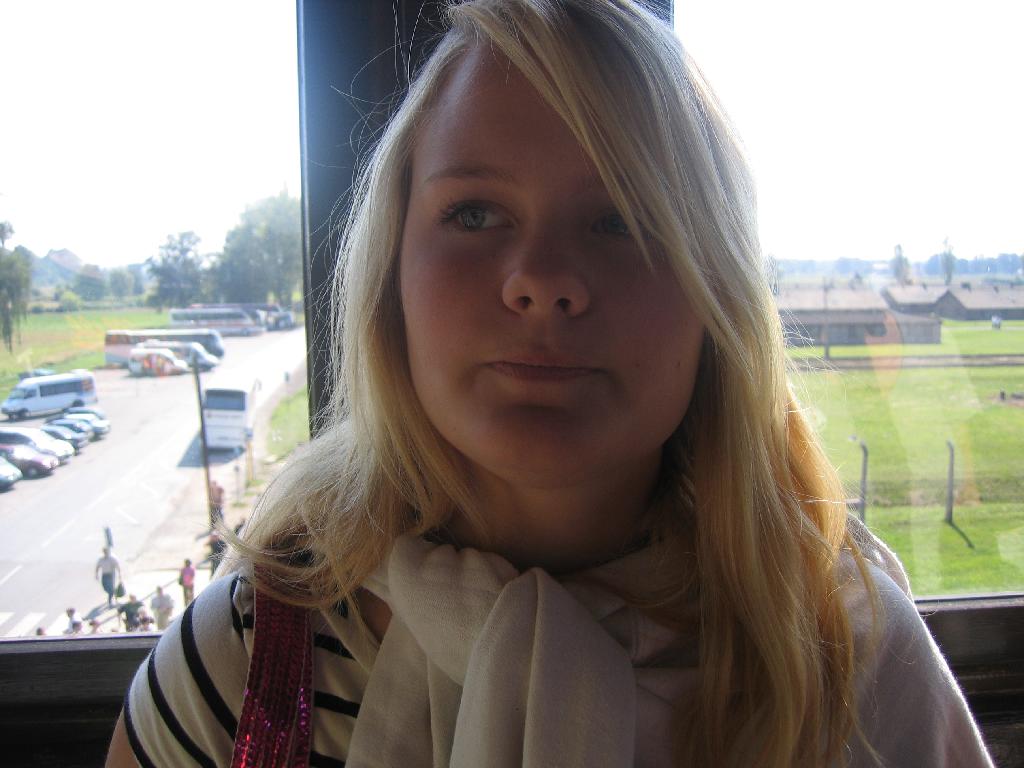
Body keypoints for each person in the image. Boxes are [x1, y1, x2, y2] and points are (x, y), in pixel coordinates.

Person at [108, 2, 995, 767]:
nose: (541, 279)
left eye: (624, 218)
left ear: (716, 297)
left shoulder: (850, 658)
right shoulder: (244, 669)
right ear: (391, 279)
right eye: (474, 213)